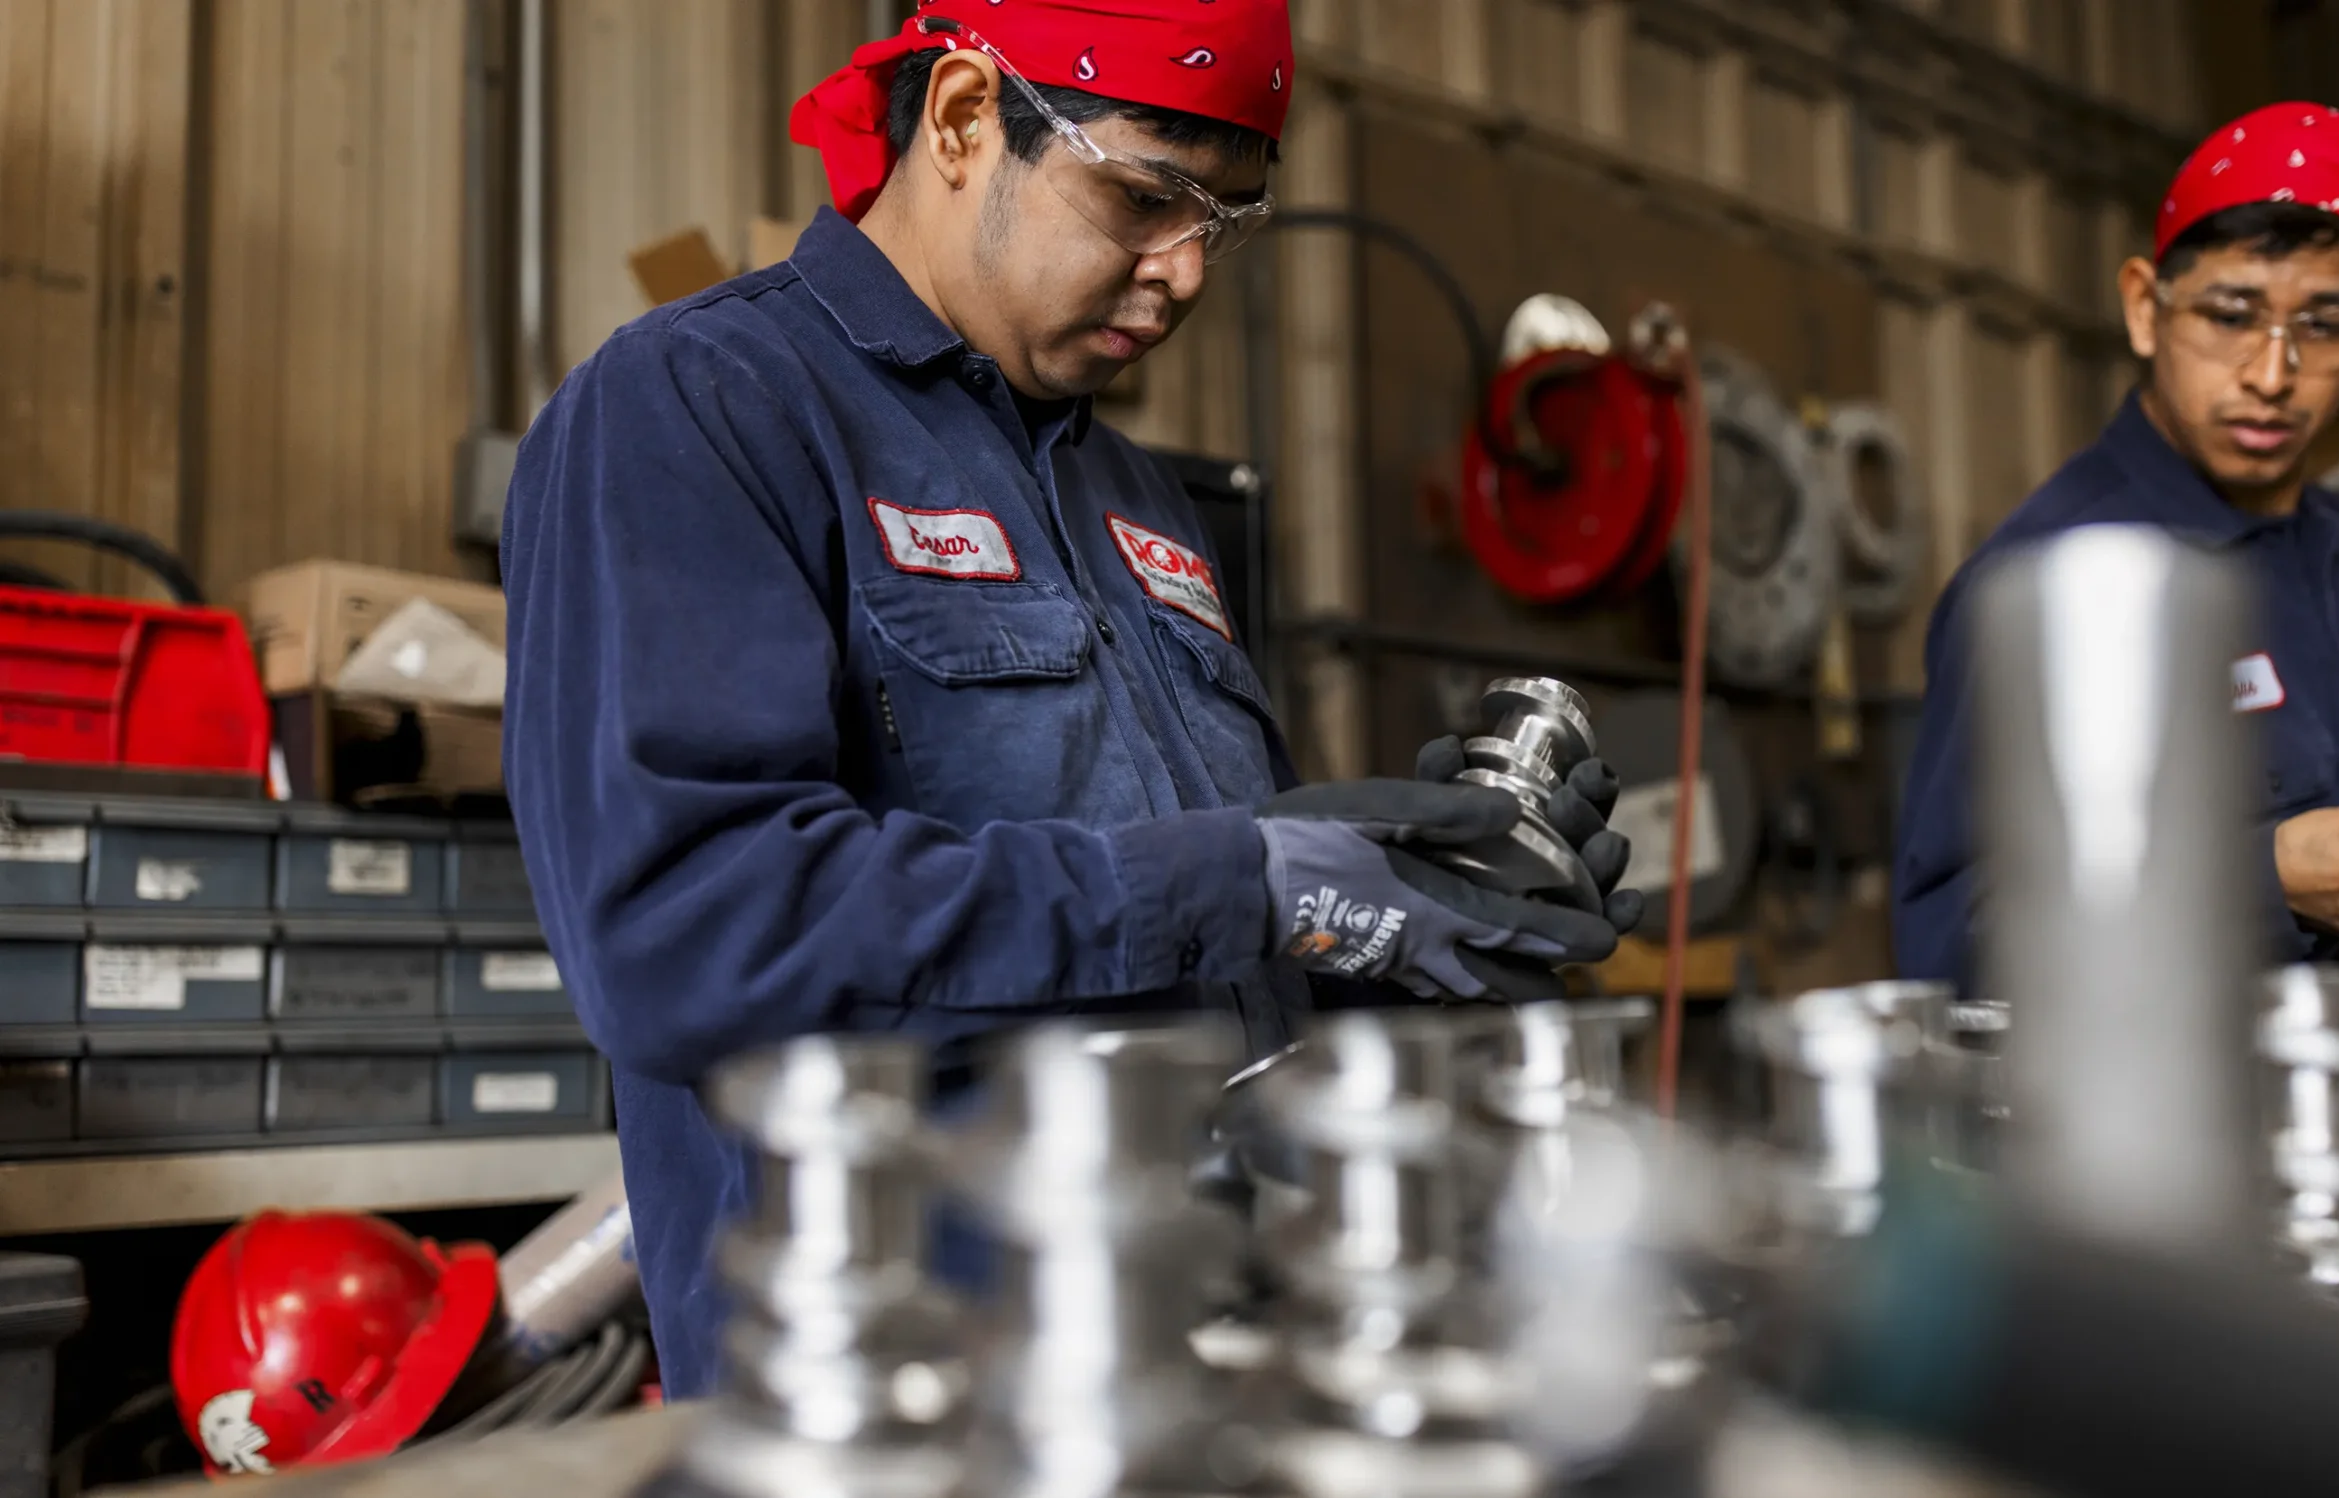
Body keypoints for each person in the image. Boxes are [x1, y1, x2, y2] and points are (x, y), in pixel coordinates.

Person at [500, 0, 1641, 1399]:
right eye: (1147, 196)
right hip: (907, 1404)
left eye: (1224, 223)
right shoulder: (701, 408)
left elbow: (1214, 963)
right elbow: (688, 935)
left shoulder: (1142, 500)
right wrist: (1250, 882)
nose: (1183, 274)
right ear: (967, 115)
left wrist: (1419, 897)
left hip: (1205, 1351)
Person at [1894, 102, 2339, 1222]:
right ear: (2147, 308)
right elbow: (1959, 940)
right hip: (2197, 1231)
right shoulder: (2055, 582)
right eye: (2232, 315)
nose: (2273, 372)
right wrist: (2266, 877)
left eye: (2326, 322)